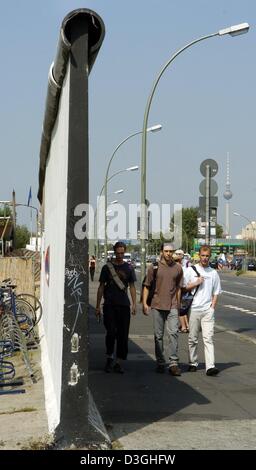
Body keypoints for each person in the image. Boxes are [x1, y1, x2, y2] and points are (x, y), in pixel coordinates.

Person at [142, 242, 183, 376]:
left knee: (173, 334)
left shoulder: (178, 268)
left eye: (171, 251)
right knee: (158, 336)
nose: (169, 254)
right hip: (157, 305)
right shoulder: (153, 267)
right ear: (161, 252)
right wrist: (145, 304)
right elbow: (147, 286)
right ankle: (160, 362)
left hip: (172, 306)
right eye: (166, 251)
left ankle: (173, 363)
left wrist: (178, 303)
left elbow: (178, 287)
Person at [96, 241, 136, 374]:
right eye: (117, 253)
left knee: (123, 335)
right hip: (109, 305)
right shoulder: (107, 268)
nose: (119, 255)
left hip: (124, 305)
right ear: (114, 252)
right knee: (111, 332)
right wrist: (97, 306)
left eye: (122, 253)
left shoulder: (129, 268)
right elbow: (101, 286)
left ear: (124, 252)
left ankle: (119, 362)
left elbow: (132, 286)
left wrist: (134, 304)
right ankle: (109, 357)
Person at [184, 245, 221, 376]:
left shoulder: (213, 273)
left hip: (207, 311)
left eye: (207, 256)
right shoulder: (190, 270)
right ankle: (193, 363)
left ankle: (210, 366)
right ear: (198, 256)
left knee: (208, 338)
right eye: (203, 256)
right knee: (192, 338)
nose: (205, 258)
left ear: (210, 257)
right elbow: (183, 288)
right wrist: (196, 283)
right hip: (194, 309)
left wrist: (212, 308)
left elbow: (216, 292)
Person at [173, 249, 189, 333]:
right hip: (187, 288)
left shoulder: (178, 266)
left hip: (181, 289)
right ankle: (187, 325)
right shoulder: (187, 263)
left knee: (179, 309)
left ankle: (183, 327)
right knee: (184, 310)